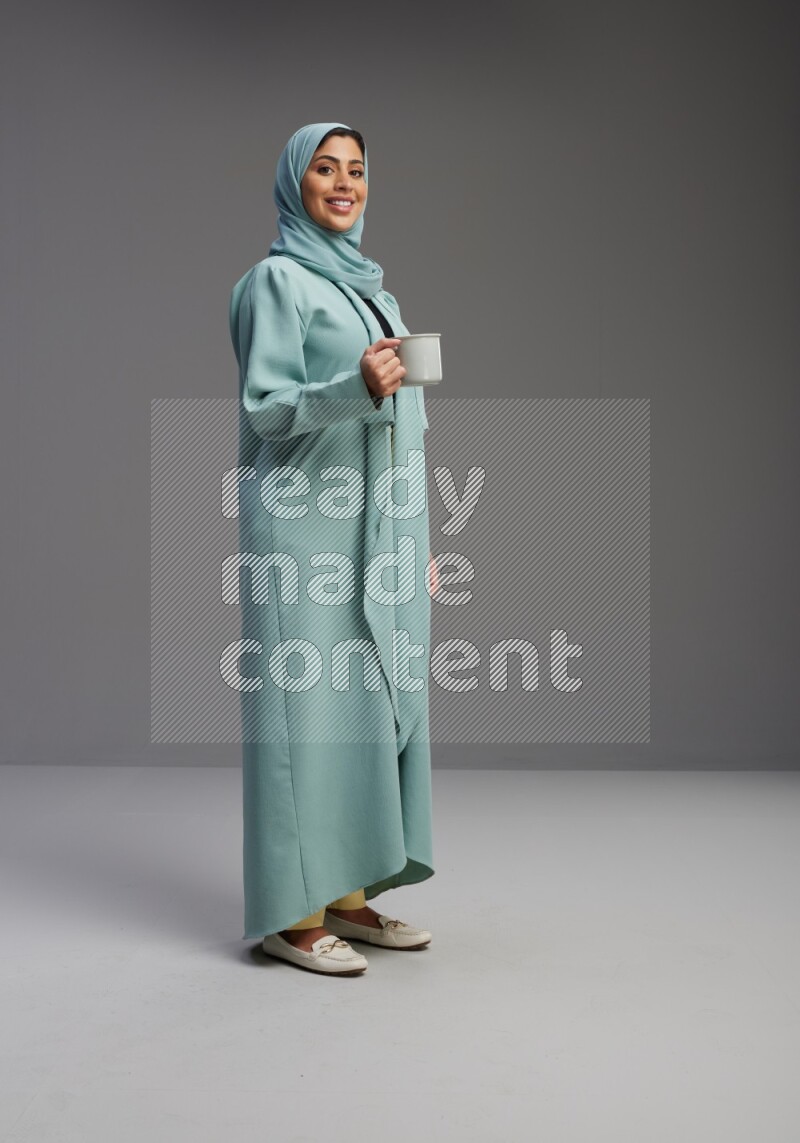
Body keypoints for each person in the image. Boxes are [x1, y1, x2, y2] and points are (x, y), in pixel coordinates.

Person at [229, 122, 437, 976]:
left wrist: (418, 535)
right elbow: (266, 409)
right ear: (295, 181)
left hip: (375, 532)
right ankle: (292, 912)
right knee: (306, 724)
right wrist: (355, 384)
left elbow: (407, 431)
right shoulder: (273, 282)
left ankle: (349, 898)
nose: (344, 184)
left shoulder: (377, 294)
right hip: (303, 535)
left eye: (356, 170)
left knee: (368, 710)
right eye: (326, 169)